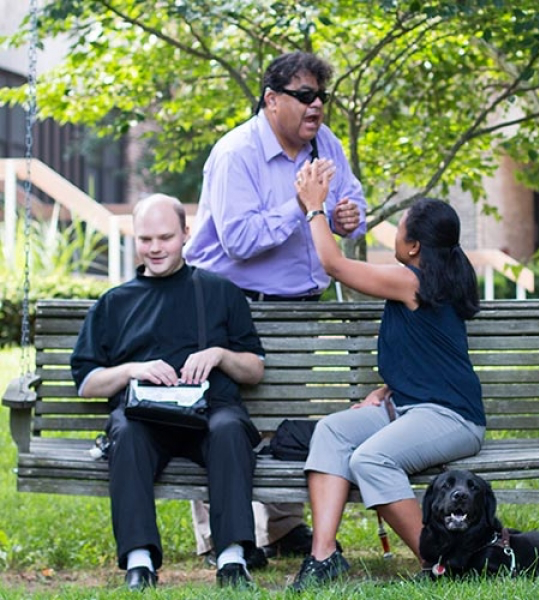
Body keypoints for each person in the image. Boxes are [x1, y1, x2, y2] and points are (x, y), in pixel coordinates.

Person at [183, 51, 367, 560]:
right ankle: (220, 533)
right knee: (222, 414)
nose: (316, 107)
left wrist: (350, 217)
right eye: (304, 96)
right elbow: (239, 240)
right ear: (271, 100)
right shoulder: (235, 153)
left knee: (284, 416)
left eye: (322, 97)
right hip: (230, 302)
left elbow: (351, 200)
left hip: (300, 304)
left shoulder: (324, 145)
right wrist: (305, 205)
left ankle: (283, 528)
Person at [290, 160, 486, 590]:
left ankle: (440, 564)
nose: (394, 234)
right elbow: (430, 355)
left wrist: (314, 207)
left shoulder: (411, 281)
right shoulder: (436, 277)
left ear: (414, 246)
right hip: (413, 407)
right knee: (332, 432)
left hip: (453, 418)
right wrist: (386, 389)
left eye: (399, 228)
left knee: (370, 459)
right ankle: (323, 556)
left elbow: (335, 266)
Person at [70, 194, 265, 590]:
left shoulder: (220, 292)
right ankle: (139, 563)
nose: (155, 248)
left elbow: (255, 369)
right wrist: (131, 370)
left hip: (211, 412)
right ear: (135, 239)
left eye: (165, 237)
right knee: (124, 432)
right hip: (145, 418)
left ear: (185, 235)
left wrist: (219, 355)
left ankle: (231, 559)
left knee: (229, 429)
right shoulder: (113, 303)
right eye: (145, 239)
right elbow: (88, 383)